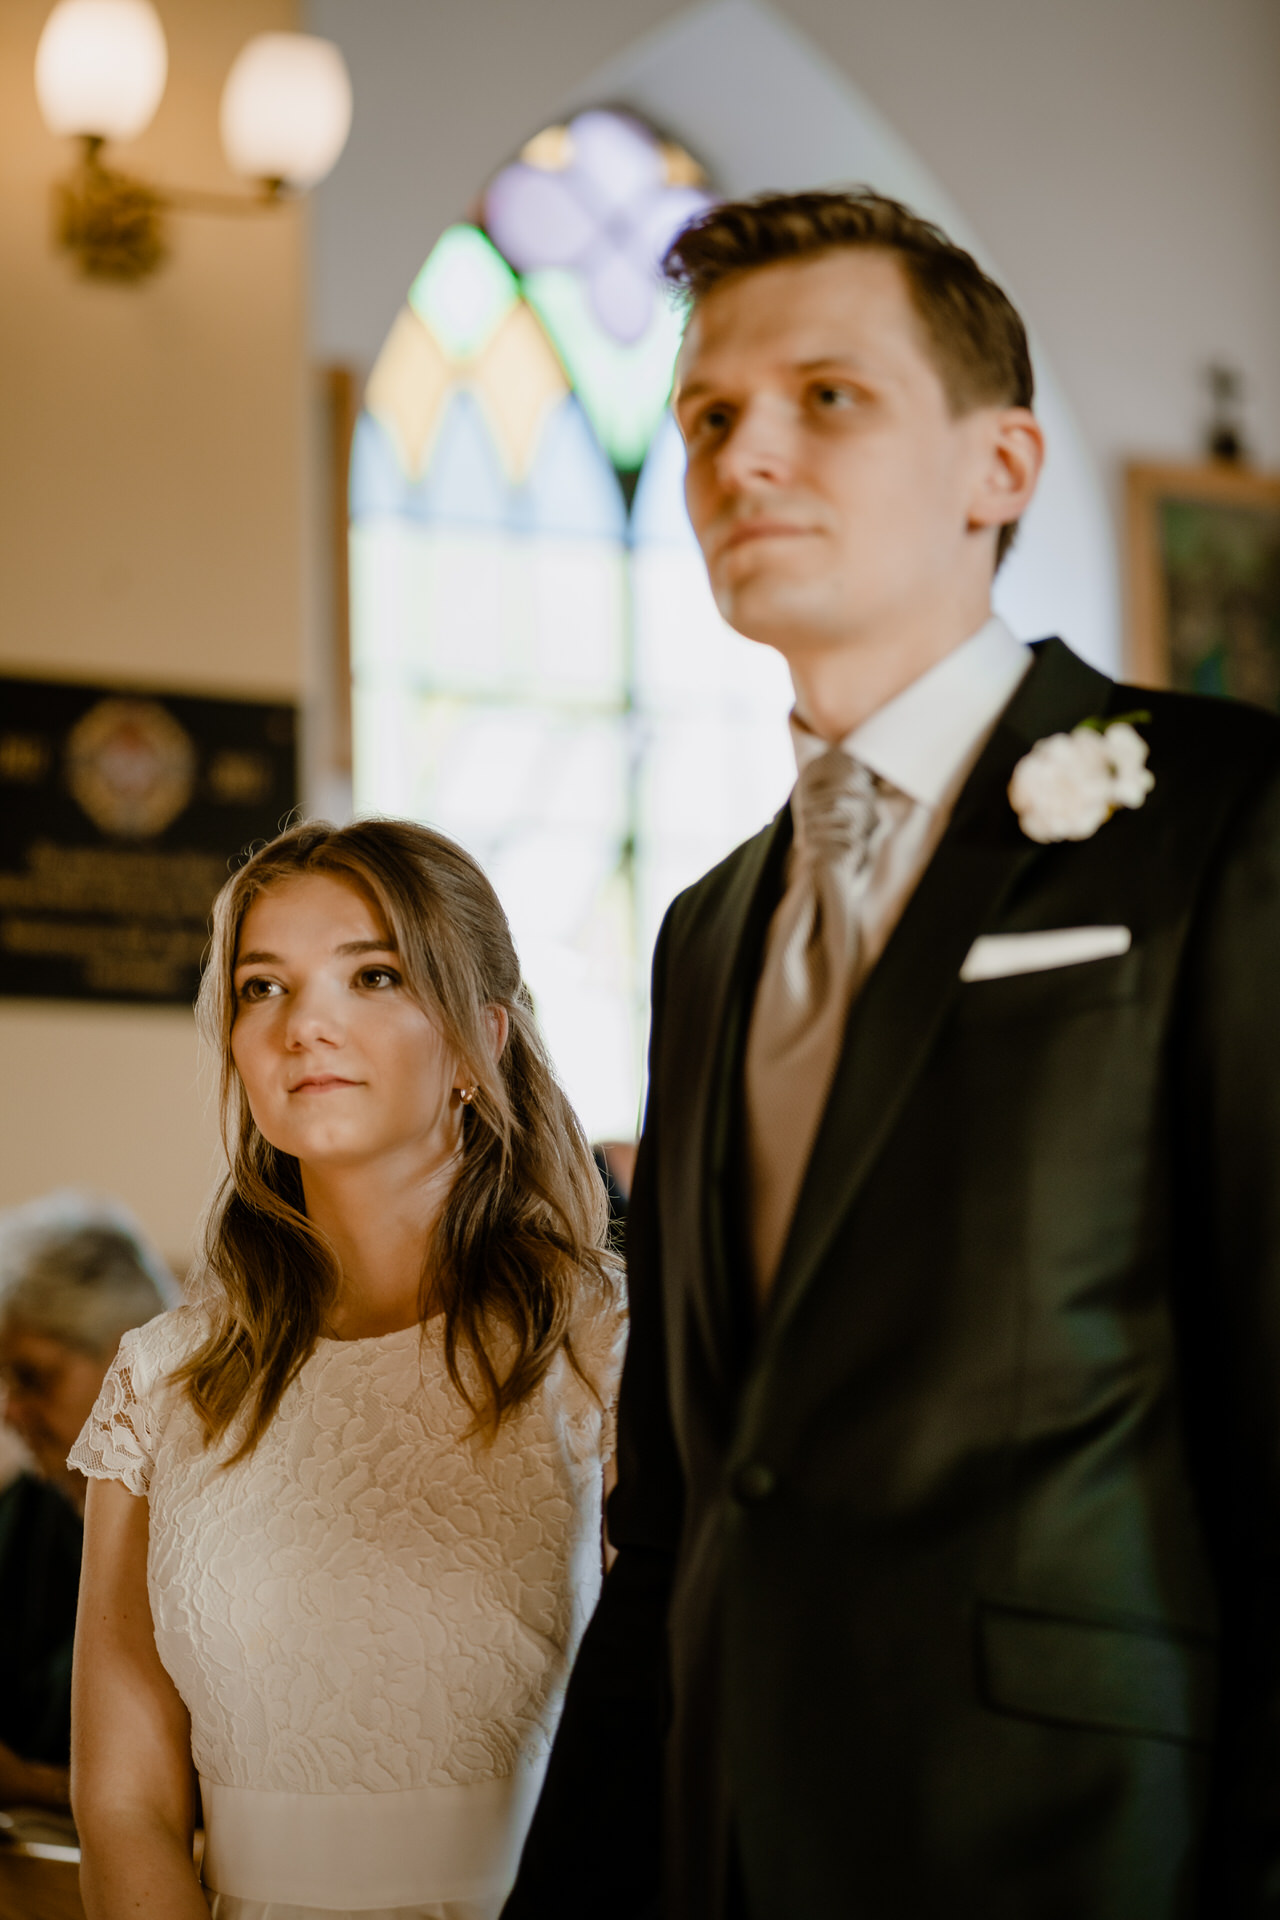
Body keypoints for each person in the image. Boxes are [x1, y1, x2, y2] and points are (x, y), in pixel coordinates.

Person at [502, 188, 1280, 1919]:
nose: (743, 456)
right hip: (733, 1843)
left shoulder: (1222, 820)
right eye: (708, 416)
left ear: (1000, 465)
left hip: (1079, 1845)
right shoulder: (707, 931)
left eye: (827, 398)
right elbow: (686, 1496)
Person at [69, 819, 625, 1920]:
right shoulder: (161, 1384)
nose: (304, 1024)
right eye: (262, 987)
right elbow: (124, 1804)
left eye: (372, 975)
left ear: (478, 1041)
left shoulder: (603, 1346)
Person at [0, 1193, 178, 1809]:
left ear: (129, 1358)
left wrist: (31, 1785)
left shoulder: (198, 1524)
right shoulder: (28, 1507)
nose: (10, 1411)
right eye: (6, 1381)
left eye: (34, 1377)